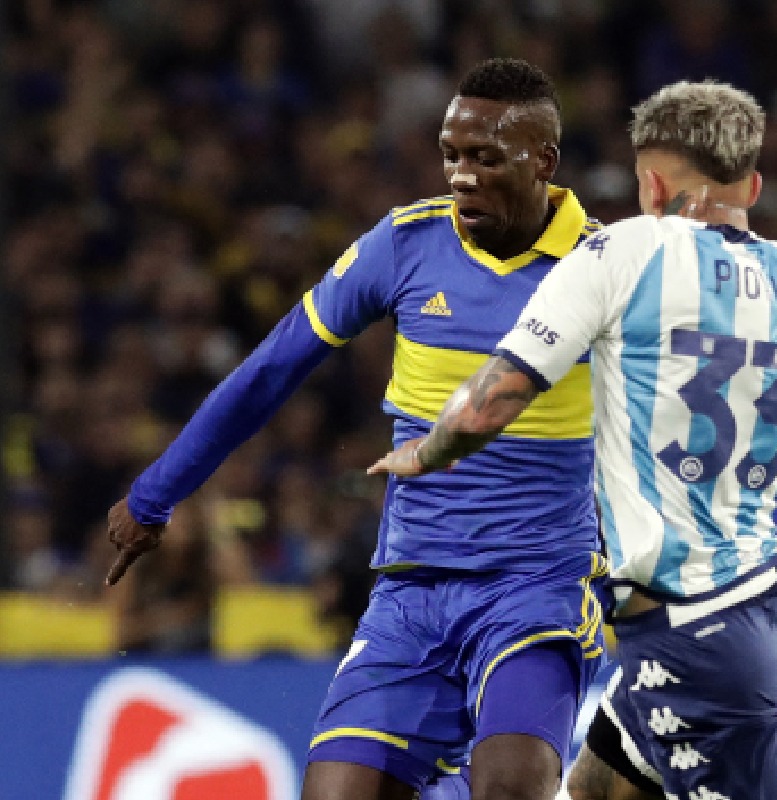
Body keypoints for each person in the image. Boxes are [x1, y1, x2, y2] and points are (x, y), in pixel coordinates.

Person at [369, 80, 777, 800]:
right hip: (752, 612)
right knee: (595, 790)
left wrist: (426, 452)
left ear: (649, 182)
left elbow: (494, 401)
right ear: (754, 185)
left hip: (691, 635)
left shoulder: (622, 253)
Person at [105, 57, 613, 800]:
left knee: (511, 786)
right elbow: (273, 368)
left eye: (485, 158)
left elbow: (721, 408)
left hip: (538, 588)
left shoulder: (608, 267)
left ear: (544, 161)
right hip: (412, 592)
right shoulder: (405, 245)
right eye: (451, 155)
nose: (461, 175)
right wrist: (155, 494)